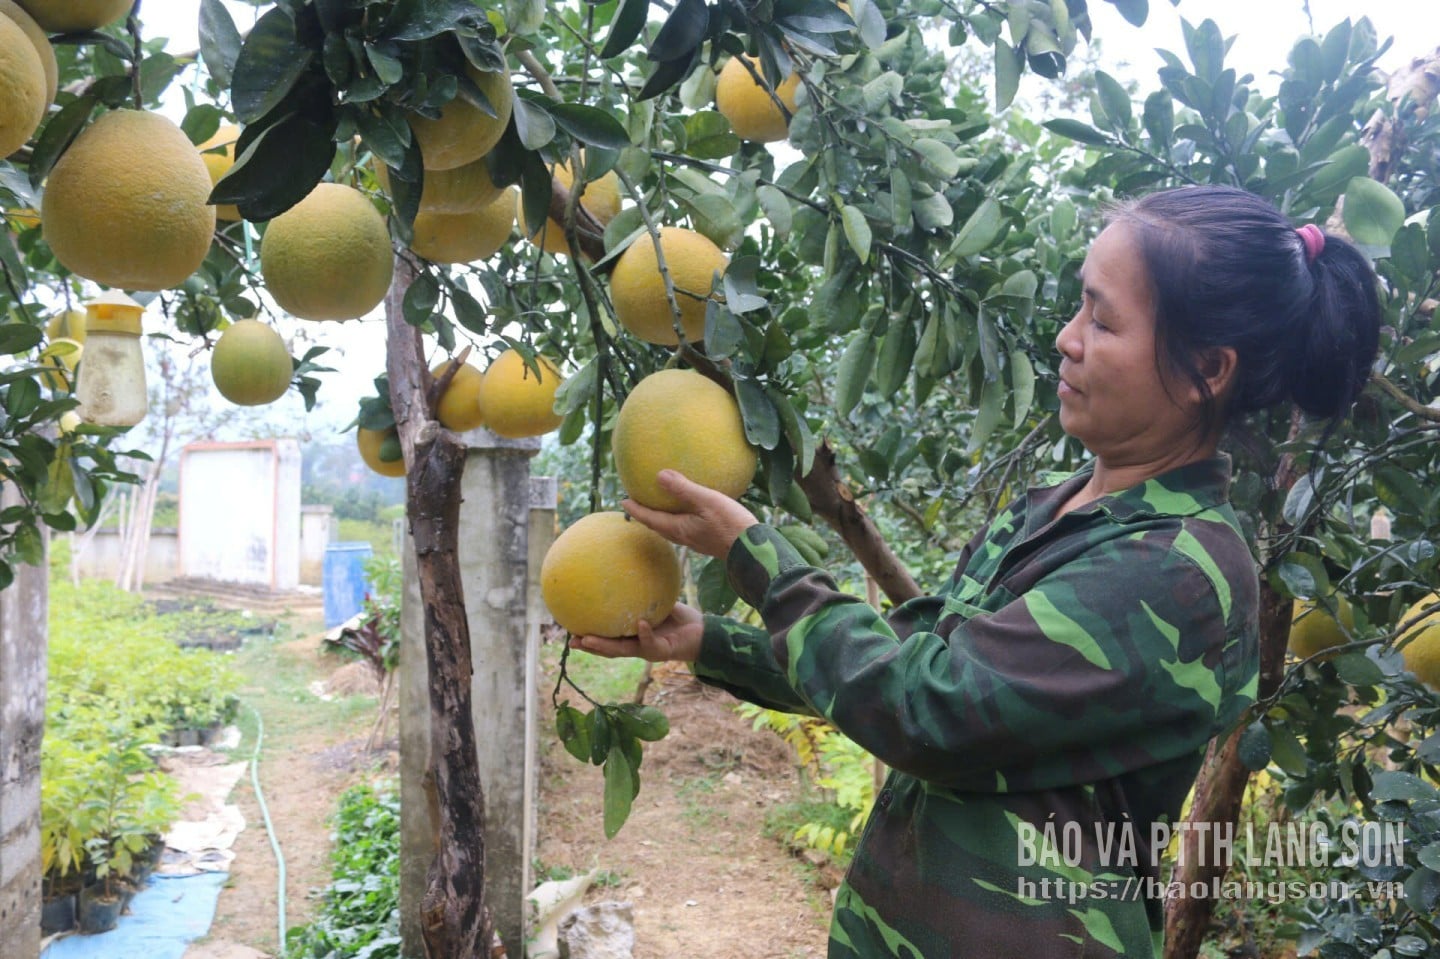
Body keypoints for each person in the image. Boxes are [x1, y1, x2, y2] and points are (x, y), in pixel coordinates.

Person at [572, 184, 1382, 958]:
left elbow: (930, 708)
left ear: (1209, 368)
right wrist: (707, 640)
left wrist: (759, 557)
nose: (1067, 337)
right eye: (1079, 303)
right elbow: (913, 655)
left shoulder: (1183, 572)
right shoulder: (1059, 505)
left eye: (1103, 321)